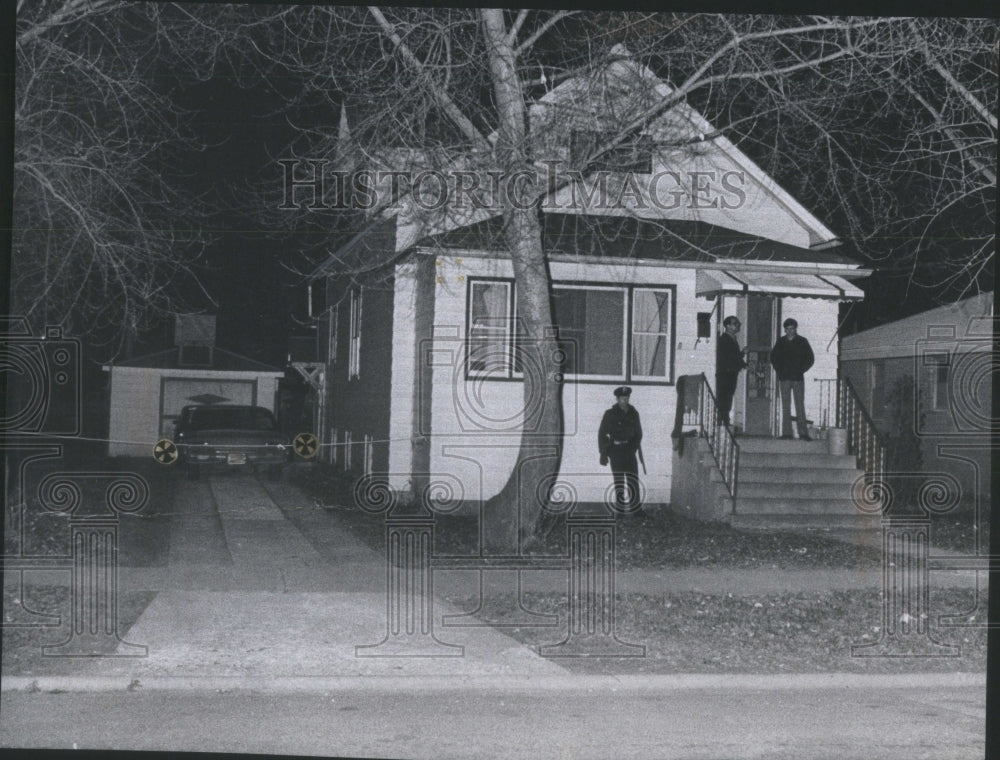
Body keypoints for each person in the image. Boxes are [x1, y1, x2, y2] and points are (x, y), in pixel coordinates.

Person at [599, 386, 643, 515]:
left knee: (633, 480)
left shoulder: (634, 413)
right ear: (617, 399)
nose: (625, 400)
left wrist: (633, 448)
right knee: (619, 481)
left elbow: (638, 434)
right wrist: (603, 453)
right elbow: (602, 434)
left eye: (627, 397)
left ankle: (636, 510)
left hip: (629, 450)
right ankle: (620, 510)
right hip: (616, 451)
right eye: (622, 398)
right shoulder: (610, 414)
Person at [770, 317, 815, 440]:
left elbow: (810, 359)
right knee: (785, 405)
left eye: (792, 328)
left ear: (795, 329)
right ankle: (787, 433)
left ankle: (803, 433)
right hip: (784, 378)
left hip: (797, 378)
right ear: (785, 330)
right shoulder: (781, 342)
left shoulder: (802, 341)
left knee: (799, 404)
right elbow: (773, 358)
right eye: (787, 329)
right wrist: (779, 371)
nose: (790, 331)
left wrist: (801, 370)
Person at [715, 315, 747, 428]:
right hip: (725, 374)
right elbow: (731, 357)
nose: (738, 325)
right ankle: (722, 422)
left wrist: (743, 364)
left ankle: (725, 420)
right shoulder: (724, 339)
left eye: (738, 323)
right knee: (724, 398)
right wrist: (742, 354)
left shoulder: (733, 338)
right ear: (728, 326)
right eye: (735, 323)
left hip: (731, 373)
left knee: (728, 397)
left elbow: (735, 357)